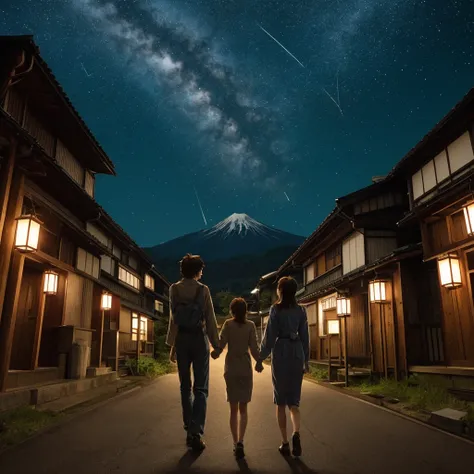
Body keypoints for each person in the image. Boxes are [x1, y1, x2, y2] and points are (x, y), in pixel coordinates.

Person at [167, 254, 219, 452]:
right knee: (201, 388)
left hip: (182, 341)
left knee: (184, 387)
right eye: (201, 269)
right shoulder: (203, 290)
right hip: (199, 339)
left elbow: (174, 319)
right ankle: (195, 431)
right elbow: (211, 319)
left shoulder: (174, 289)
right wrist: (217, 345)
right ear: (198, 271)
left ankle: (188, 426)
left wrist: (172, 345)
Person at [256, 276, 310, 457]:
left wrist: (260, 357)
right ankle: (296, 432)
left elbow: (269, 336)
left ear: (280, 291)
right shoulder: (301, 311)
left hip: (280, 354)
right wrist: (306, 360)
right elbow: (305, 337)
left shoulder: (276, 310)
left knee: (280, 401)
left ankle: (285, 442)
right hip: (297, 353)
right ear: (295, 291)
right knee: (294, 401)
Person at [211, 298, 261, 459]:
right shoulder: (250, 326)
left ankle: (235, 443)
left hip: (231, 369)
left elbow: (221, 342)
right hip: (245, 369)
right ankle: (241, 441)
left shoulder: (228, 324)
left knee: (233, 410)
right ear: (245, 311)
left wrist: (216, 352)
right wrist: (259, 362)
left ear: (232, 311)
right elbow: (254, 347)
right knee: (243, 409)